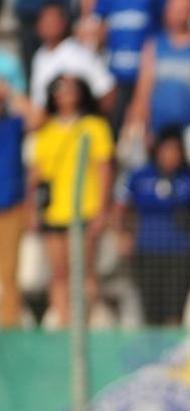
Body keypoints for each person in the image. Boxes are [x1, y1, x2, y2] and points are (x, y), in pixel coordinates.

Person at [116, 128, 190, 325]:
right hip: (147, 252)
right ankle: (152, 353)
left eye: (175, 150)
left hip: (181, 253)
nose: (171, 155)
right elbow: (121, 209)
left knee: (175, 313)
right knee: (151, 314)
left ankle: (173, 354)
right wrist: (123, 235)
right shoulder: (140, 177)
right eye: (166, 150)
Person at [27, 75, 113, 327]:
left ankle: (84, 325)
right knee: (59, 272)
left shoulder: (94, 126)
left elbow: (104, 168)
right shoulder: (46, 130)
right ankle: (65, 325)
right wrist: (33, 209)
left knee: (85, 270)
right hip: (55, 211)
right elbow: (37, 174)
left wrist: (102, 208)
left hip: (84, 208)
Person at [126, 0, 190, 169]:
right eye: (174, 9)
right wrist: (138, 128)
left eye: (184, 10)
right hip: (159, 130)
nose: (179, 15)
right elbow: (142, 93)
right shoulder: (154, 46)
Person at [79, 0, 161, 134]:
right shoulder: (107, 3)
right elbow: (96, 27)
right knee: (113, 130)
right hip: (114, 80)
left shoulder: (151, 3)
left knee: (141, 132)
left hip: (146, 79)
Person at [29, 2, 116, 115]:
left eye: (53, 21)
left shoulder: (80, 53)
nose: (49, 25)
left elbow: (107, 91)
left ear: (63, 23)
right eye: (45, 21)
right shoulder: (39, 57)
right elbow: (38, 103)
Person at [0, 77, 34, 328]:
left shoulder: (12, 125)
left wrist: (10, 92)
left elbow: (37, 118)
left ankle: (9, 324)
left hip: (10, 206)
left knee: (9, 271)